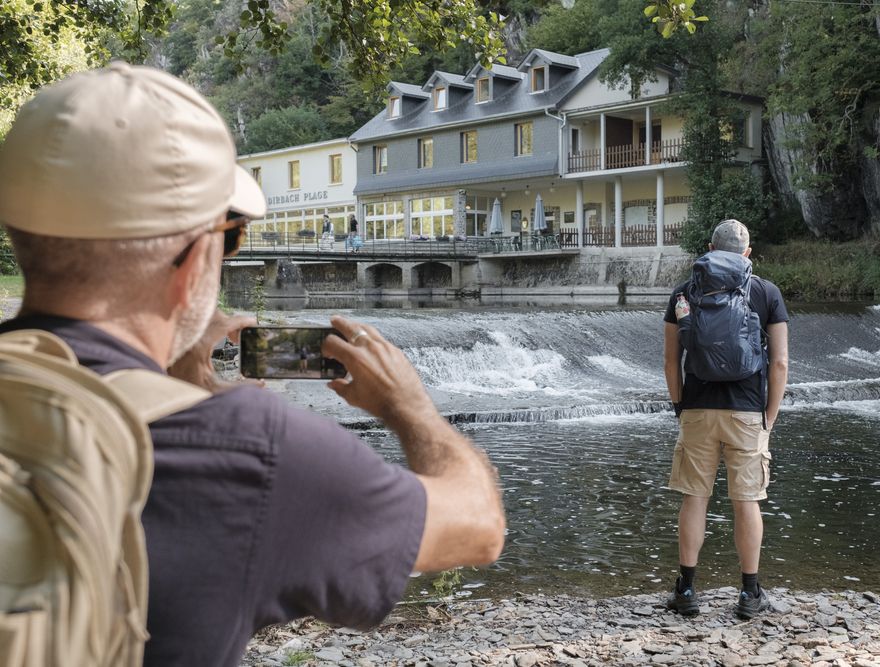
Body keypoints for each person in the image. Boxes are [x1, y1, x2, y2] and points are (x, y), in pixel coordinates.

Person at [0, 63, 505, 666]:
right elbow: (476, 524)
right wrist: (409, 407)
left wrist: (171, 380)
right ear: (195, 259)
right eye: (231, 237)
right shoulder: (247, 450)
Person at [662, 219, 789, 620]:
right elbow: (781, 362)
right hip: (748, 411)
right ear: (746, 253)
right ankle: (750, 595)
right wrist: (769, 415)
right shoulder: (766, 292)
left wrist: (680, 406)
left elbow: (671, 360)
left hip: (698, 409)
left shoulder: (684, 292)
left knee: (694, 498)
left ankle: (685, 591)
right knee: (746, 502)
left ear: (710, 247)